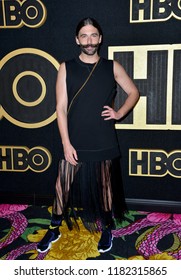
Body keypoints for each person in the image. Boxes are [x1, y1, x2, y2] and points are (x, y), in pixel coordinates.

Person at [37, 17, 139, 254]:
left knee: (105, 185)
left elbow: (133, 91)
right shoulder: (66, 67)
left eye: (93, 35)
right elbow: (60, 108)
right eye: (84, 35)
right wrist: (65, 142)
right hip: (74, 138)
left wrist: (120, 112)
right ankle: (54, 227)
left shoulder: (112, 66)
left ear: (100, 38)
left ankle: (107, 228)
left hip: (102, 136)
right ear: (77, 39)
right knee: (62, 184)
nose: (89, 40)